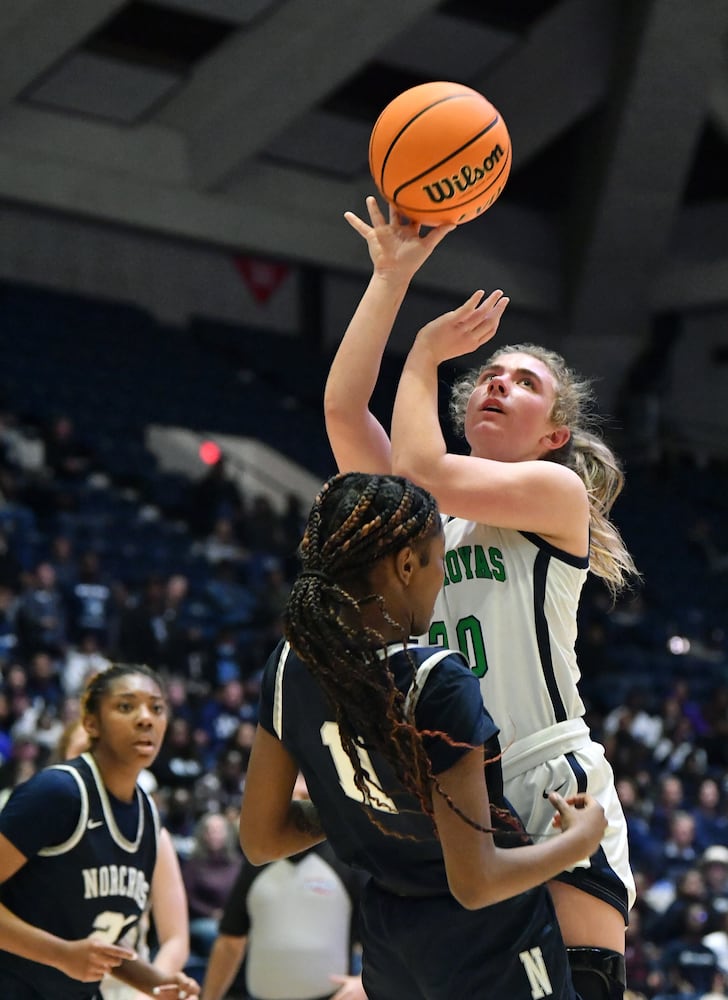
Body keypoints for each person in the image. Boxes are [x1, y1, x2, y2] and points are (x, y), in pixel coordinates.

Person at [323, 196, 640, 1000]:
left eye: (523, 382)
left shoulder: (554, 494)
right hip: (446, 794)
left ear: (554, 434)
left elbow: (425, 466)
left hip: (544, 774)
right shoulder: (420, 516)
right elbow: (342, 410)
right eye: (489, 375)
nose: (499, 382)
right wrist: (391, 280)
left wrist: (429, 356)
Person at [240, 471, 607, 1000]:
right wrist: (579, 839)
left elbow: (261, 839)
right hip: (489, 941)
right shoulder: (436, 679)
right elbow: (475, 883)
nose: (441, 579)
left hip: (391, 941)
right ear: (407, 565)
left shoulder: (288, 667)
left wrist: (363, 803)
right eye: (440, 562)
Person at [0, 662, 200, 1000]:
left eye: (157, 707)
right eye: (126, 706)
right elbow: (69, 950)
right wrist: (60, 955)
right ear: (91, 723)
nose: (145, 718)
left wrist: (156, 984)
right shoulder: (58, 792)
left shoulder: (147, 815)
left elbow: (92, 940)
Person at [53, 717, 191, 1000]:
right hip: (52, 982)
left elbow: (176, 938)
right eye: (83, 754)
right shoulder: (40, 829)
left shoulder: (151, 833)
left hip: (126, 988)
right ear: (63, 763)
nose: (94, 763)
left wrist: (150, 991)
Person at [201, 773, 366, 1000]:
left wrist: (363, 983)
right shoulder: (256, 860)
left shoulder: (348, 859)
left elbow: (382, 938)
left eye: (306, 797)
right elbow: (230, 941)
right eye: (291, 797)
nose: (298, 807)